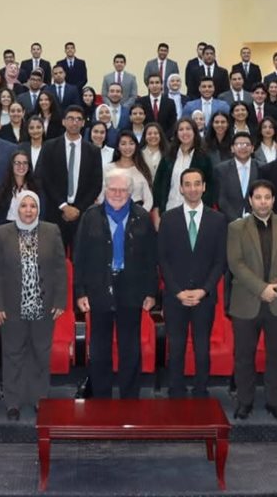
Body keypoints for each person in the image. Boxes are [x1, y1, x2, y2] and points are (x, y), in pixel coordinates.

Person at [74, 169, 158, 399]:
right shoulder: (90, 216)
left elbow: (151, 258)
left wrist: (151, 292)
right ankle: (101, 398)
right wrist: (80, 292)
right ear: (105, 190)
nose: (118, 194)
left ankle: (129, 398)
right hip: (99, 288)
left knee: (130, 348)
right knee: (99, 349)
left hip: (132, 289)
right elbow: (80, 257)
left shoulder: (142, 217)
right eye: (113, 189)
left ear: (130, 192)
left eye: (122, 190)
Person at [228, 179, 277, 420]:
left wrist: (274, 288)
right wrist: (261, 288)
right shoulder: (236, 228)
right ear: (250, 200)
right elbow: (235, 263)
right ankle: (244, 402)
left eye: (267, 197)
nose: (263, 202)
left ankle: (275, 402)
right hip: (246, 300)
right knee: (244, 356)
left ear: (273, 200)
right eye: (258, 197)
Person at [0, 190, 67, 420]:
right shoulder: (2, 233)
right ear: (16, 208)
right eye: (24, 206)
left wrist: (60, 300)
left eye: (33, 206)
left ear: (38, 209)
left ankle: (39, 398)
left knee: (40, 353)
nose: (28, 210)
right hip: (12, 306)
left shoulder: (51, 231)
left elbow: (60, 268)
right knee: (13, 354)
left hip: (44, 305)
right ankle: (13, 402)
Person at [158, 169, 227, 398]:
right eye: (187, 184)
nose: (193, 188)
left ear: (204, 187)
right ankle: (175, 390)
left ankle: (201, 390)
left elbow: (220, 261)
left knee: (201, 347)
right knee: (176, 347)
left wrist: (204, 290)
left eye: (197, 183)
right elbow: (162, 259)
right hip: (175, 296)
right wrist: (177, 291)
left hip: (204, 297)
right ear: (181, 188)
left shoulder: (218, 220)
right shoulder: (168, 218)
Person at [153, 117, 214, 214]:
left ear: (194, 132)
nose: (184, 132)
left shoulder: (204, 158)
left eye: (188, 129)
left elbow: (211, 186)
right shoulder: (168, 156)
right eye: (181, 129)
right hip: (169, 209)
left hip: (194, 212)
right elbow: (158, 184)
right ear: (176, 133)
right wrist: (157, 209)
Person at [215, 132, 258, 222]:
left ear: (252, 148)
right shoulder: (221, 169)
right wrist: (236, 220)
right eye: (238, 144)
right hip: (229, 222)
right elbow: (221, 199)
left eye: (247, 144)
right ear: (232, 148)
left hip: (256, 220)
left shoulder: (261, 168)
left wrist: (251, 217)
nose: (243, 147)